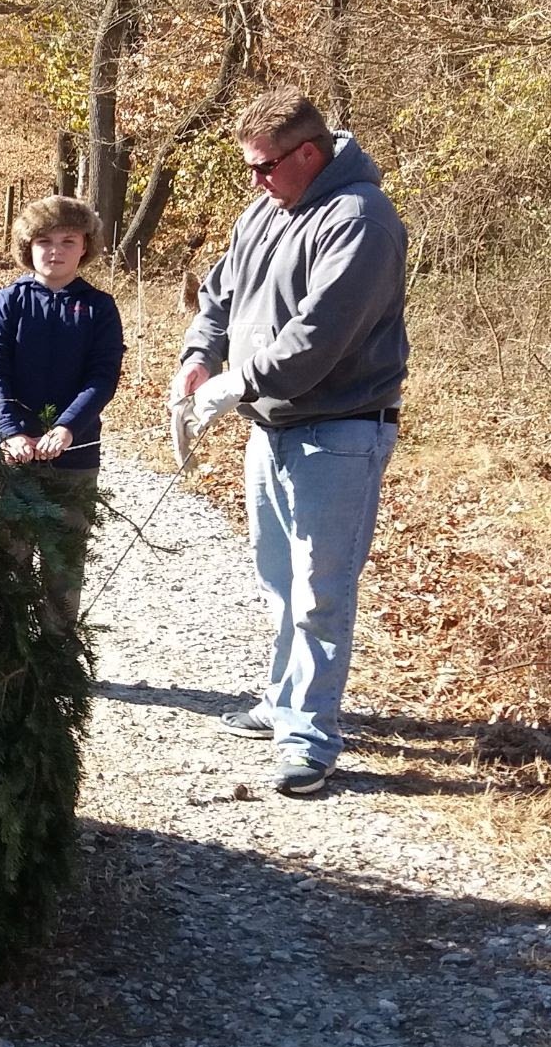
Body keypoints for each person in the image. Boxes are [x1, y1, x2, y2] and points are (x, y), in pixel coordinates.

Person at [171, 90, 408, 797]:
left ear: (309, 153)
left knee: (319, 594)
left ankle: (310, 740)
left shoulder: (360, 221)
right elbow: (217, 298)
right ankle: (281, 701)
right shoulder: (265, 211)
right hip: (268, 430)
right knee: (278, 582)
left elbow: (316, 340)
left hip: (338, 432)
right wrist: (197, 359)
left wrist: (232, 386)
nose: (256, 181)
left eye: (264, 167)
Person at [0, 196, 127, 639]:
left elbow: (102, 378)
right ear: (28, 247)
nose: (55, 250)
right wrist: (10, 432)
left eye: (68, 240)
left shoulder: (100, 308)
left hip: (75, 458)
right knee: (10, 554)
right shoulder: (7, 303)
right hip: (14, 459)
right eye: (43, 241)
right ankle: (6, 646)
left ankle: (57, 653)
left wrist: (67, 427)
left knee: (64, 561)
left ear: (85, 246)